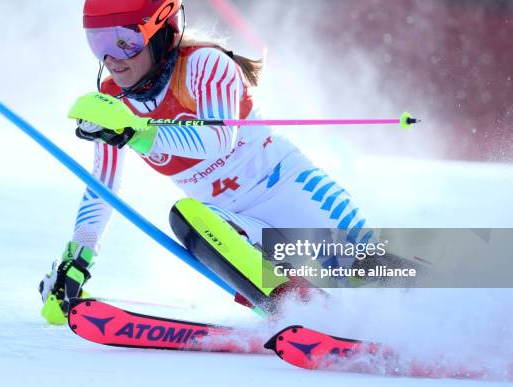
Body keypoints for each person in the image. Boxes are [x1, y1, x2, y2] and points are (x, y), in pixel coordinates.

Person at [39, 0, 374, 324]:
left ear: (161, 29)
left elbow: (217, 141)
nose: (112, 58)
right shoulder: (114, 102)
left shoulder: (205, 65)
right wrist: (77, 260)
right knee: (188, 219)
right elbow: (103, 187)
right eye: (98, 42)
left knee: (383, 282)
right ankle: (297, 310)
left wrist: (140, 133)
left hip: (293, 195)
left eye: (125, 42)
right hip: (233, 224)